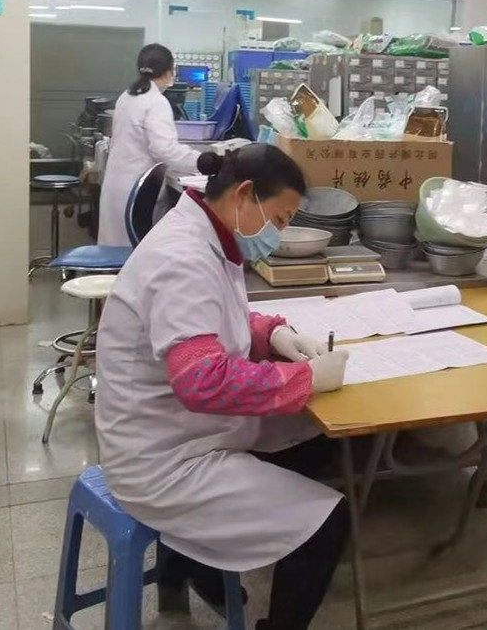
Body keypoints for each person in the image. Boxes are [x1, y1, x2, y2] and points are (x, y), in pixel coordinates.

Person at [96, 143, 351, 630]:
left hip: (180, 431)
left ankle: (194, 566)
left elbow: (210, 323)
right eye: (279, 219)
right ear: (244, 194)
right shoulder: (183, 258)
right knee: (327, 526)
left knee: (315, 446)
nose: (278, 233)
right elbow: (201, 378)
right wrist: (304, 379)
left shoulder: (207, 237)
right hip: (162, 462)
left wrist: (272, 333)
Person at [97, 43, 201, 246]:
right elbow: (165, 150)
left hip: (117, 184)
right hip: (136, 190)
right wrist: (202, 161)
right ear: (169, 71)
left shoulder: (127, 96)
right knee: (134, 250)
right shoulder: (156, 102)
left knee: (116, 249)